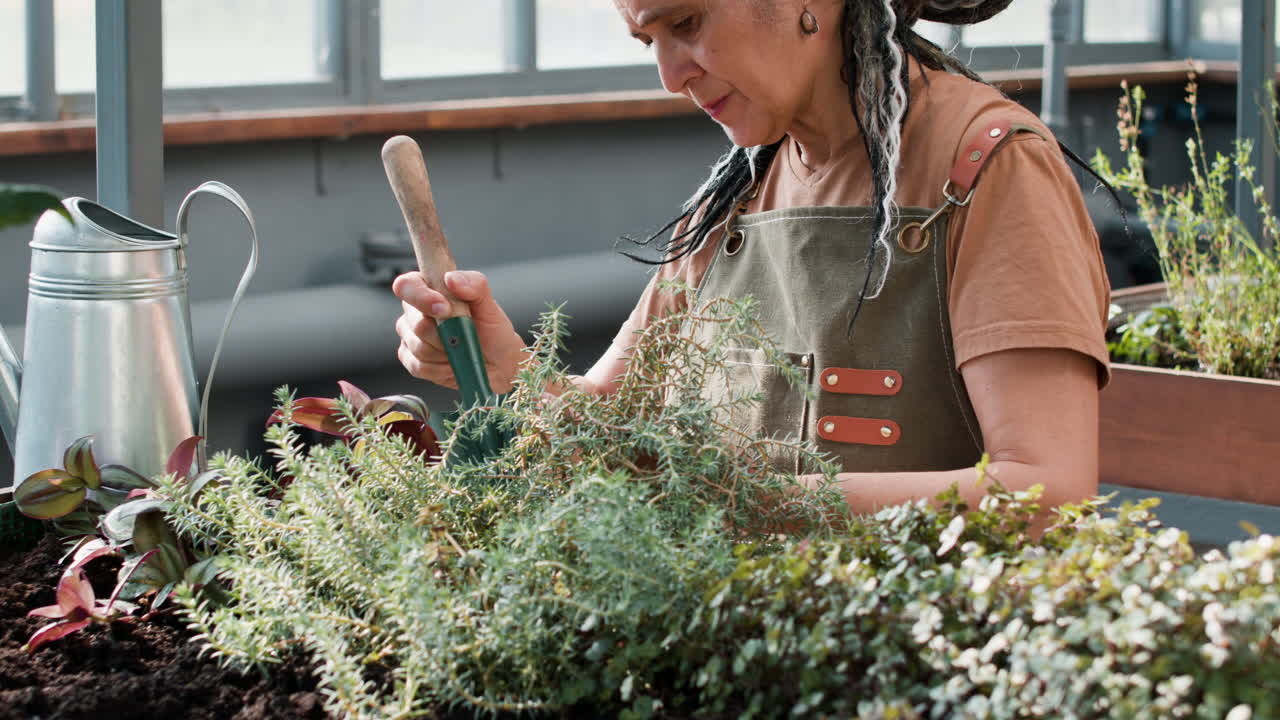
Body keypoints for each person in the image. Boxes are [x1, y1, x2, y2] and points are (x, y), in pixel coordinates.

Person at [392, 0, 1110, 524]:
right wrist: (507, 370)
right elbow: (615, 428)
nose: (671, 74)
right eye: (648, 38)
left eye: (687, 23)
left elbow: (1046, 493)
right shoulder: (735, 194)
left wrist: (743, 501)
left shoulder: (987, 164)